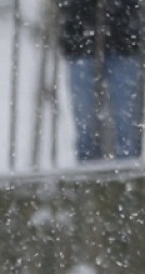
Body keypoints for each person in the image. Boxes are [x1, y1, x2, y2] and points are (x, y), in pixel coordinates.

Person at [57, 0, 143, 162]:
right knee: (86, 125)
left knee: (127, 125)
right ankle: (89, 179)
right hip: (80, 39)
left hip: (125, 40)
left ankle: (127, 180)